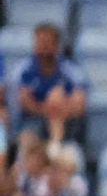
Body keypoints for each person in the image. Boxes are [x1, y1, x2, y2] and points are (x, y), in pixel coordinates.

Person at [16, 23, 88, 160]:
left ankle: (55, 145)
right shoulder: (27, 70)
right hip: (35, 122)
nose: (42, 47)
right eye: (39, 42)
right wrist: (48, 109)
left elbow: (80, 105)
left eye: (46, 42)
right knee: (27, 138)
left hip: (69, 125)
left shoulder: (71, 70)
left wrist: (58, 107)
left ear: (56, 44)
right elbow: (25, 101)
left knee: (56, 96)